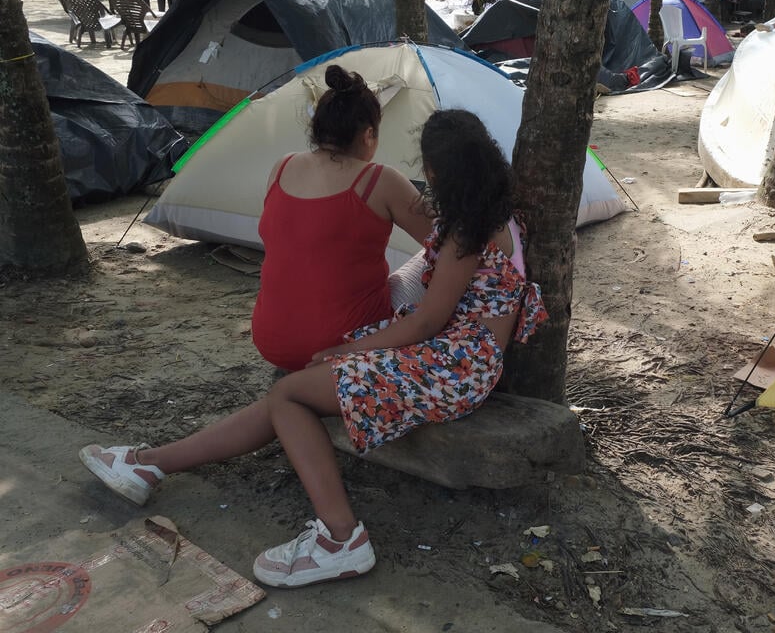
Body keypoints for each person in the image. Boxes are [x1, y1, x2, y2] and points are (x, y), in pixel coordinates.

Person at [79, 108, 548, 589]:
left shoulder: (466, 233)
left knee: (289, 395)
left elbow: (427, 320)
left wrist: (355, 347)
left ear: (434, 171)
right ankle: (149, 464)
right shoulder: (497, 215)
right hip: (461, 359)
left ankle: (341, 538)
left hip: (453, 366)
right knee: (290, 396)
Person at [251, 64, 430, 373]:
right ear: (369, 134)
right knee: (432, 259)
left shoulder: (282, 167)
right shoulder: (379, 179)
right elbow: (445, 240)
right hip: (344, 342)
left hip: (272, 341)